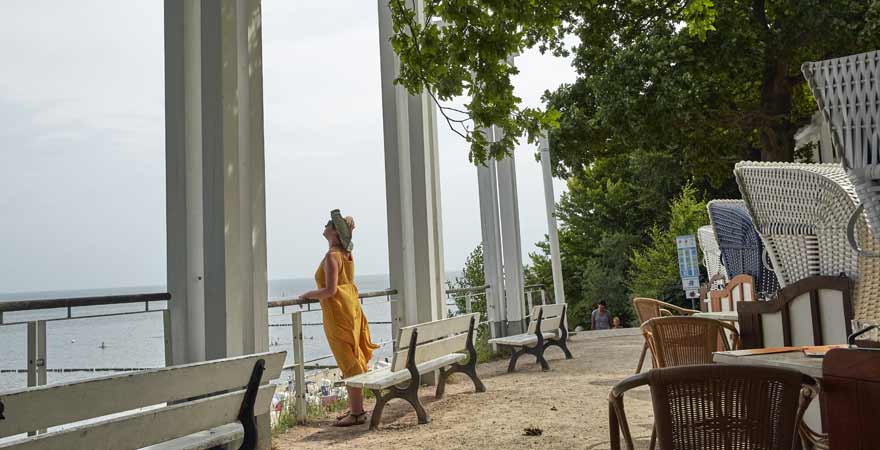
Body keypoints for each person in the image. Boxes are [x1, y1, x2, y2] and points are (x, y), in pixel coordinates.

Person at [299, 210, 379, 427]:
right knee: (352, 358)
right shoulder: (347, 255)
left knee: (348, 362)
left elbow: (329, 290)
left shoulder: (332, 256)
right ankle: (356, 409)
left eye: (328, 224)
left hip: (337, 314)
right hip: (350, 309)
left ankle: (357, 413)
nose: (324, 227)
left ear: (334, 232)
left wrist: (307, 295)